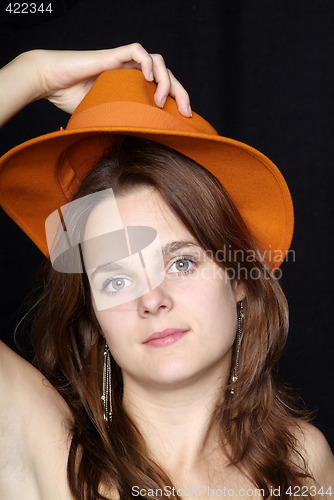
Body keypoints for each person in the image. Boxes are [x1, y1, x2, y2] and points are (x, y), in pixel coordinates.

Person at [0, 45, 333, 500]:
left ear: (239, 277)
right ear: (94, 314)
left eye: (181, 262)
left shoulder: (301, 460)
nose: (151, 298)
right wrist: (33, 73)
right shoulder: (51, 449)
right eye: (115, 280)